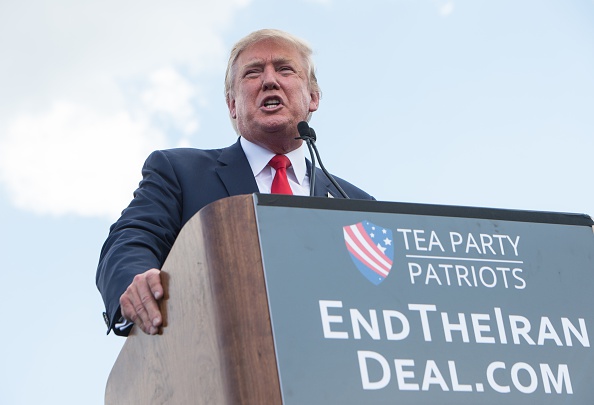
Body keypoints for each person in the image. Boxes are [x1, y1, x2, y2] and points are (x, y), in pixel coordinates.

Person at [96, 29, 374, 336]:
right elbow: (133, 237)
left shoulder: (356, 204)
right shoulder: (180, 172)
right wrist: (136, 280)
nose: (270, 80)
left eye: (284, 69)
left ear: (313, 98)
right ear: (232, 105)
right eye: (253, 73)